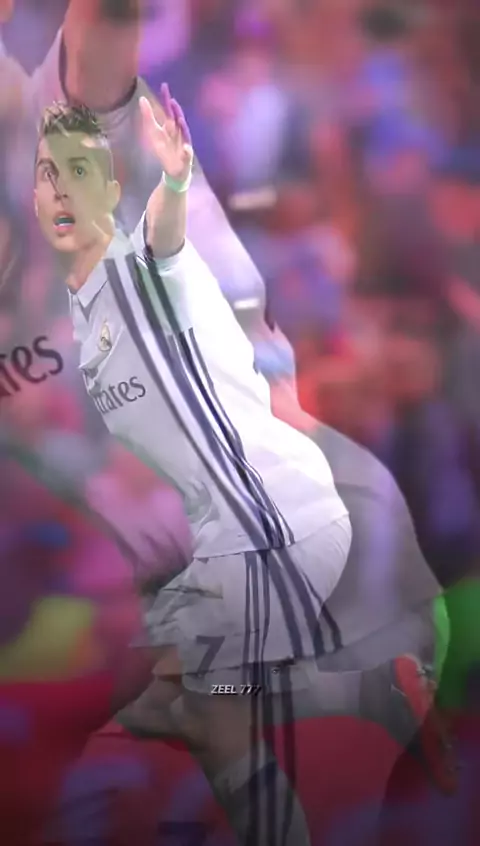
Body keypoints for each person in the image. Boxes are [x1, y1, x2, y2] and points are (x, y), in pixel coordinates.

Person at [33, 90, 455, 845]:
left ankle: (360, 699)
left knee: (216, 717)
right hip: (223, 536)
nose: (61, 191)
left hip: (270, 524)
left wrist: (176, 179)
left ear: (111, 188)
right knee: (157, 700)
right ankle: (360, 690)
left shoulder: (137, 271)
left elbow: (165, 242)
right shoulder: (84, 309)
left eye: (78, 173)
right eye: (47, 176)